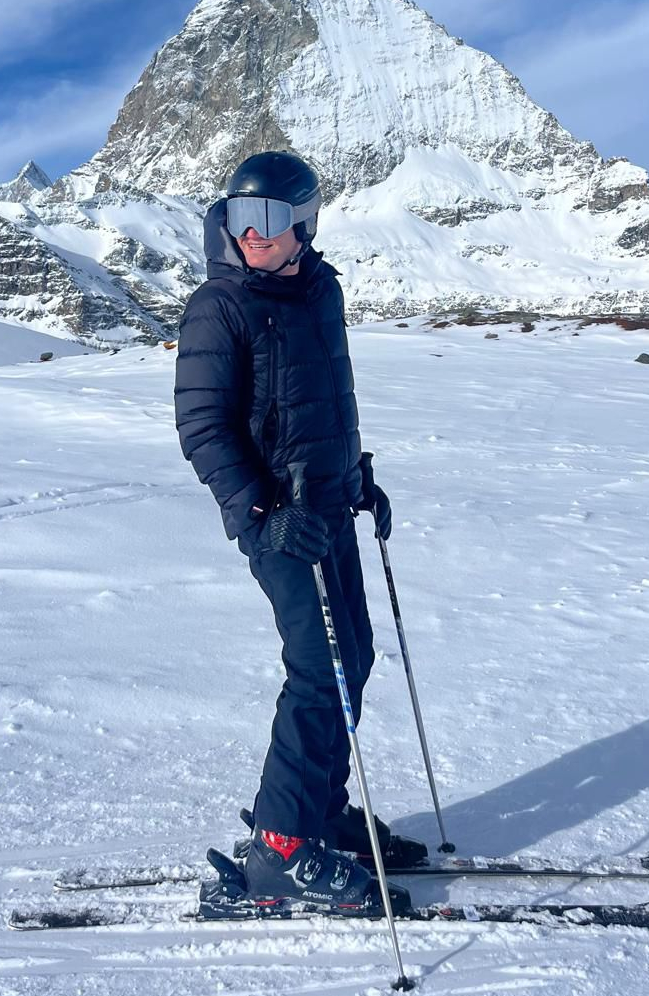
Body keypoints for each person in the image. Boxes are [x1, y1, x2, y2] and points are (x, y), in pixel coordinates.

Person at [173, 150, 408, 909]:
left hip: (327, 508)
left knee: (355, 657)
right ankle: (279, 848)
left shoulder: (318, 290)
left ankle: (318, 813)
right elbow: (204, 428)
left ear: (304, 222)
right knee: (318, 668)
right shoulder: (223, 304)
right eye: (238, 218)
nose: (251, 234)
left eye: (267, 220)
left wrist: (353, 477)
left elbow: (324, 404)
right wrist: (263, 516)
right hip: (278, 522)